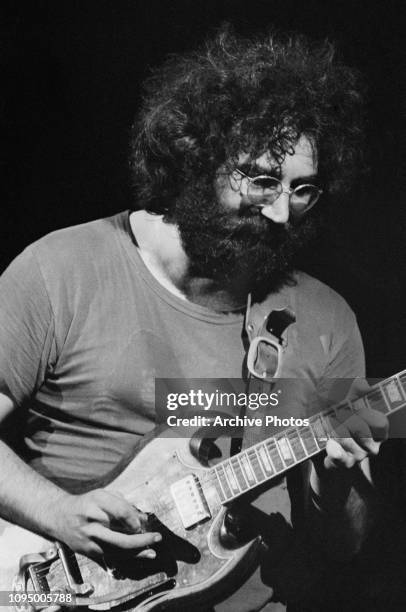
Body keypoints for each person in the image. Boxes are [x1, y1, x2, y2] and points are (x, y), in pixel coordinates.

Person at [0, 25, 388, 611]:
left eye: (304, 189)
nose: (283, 213)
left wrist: (333, 484)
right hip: (55, 588)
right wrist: (58, 514)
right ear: (194, 160)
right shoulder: (61, 270)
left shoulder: (325, 318)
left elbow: (344, 545)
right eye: (261, 180)